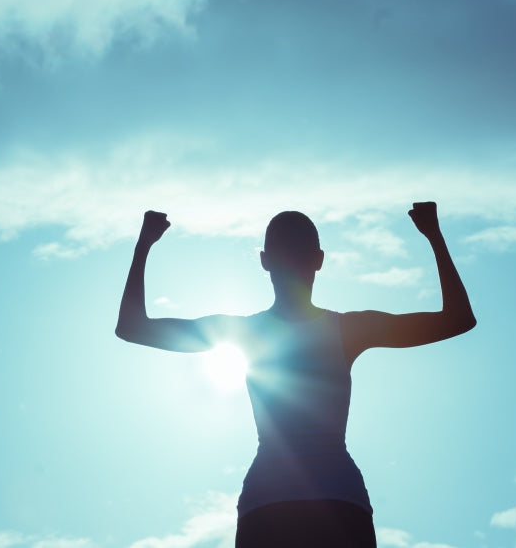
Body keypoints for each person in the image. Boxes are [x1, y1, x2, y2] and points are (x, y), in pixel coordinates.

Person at [115, 203, 476, 548]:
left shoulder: (245, 333)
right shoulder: (350, 329)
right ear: (318, 261)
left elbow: (133, 327)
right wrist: (433, 235)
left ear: (264, 261)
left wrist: (145, 243)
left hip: (271, 504)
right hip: (336, 503)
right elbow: (458, 318)